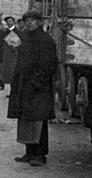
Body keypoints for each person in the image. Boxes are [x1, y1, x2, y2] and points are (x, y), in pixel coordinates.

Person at [8, 10, 58, 166]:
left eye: (32, 20)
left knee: (38, 121)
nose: (29, 22)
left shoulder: (45, 40)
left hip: (38, 88)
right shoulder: (26, 39)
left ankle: (40, 155)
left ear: (39, 22)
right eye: (27, 20)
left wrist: (36, 83)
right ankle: (29, 152)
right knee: (26, 120)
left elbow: (49, 65)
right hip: (25, 86)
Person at [0, 16, 18, 92]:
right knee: (10, 74)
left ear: (14, 22)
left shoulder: (17, 31)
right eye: (7, 22)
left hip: (14, 56)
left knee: (14, 74)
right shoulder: (5, 32)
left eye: (10, 21)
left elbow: (16, 45)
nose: (9, 23)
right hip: (7, 55)